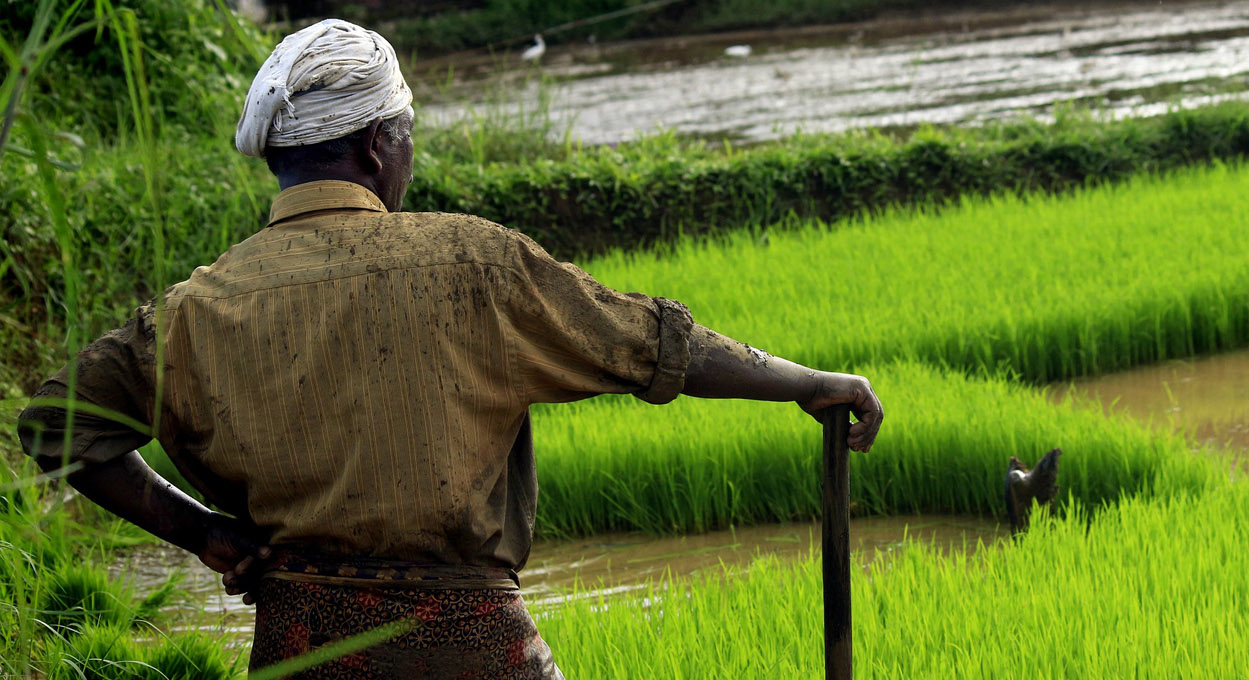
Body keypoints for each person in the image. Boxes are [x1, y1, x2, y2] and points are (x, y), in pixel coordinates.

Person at [15, 18, 883, 680]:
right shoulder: (471, 262)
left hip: (298, 646)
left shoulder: (197, 308)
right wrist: (810, 383)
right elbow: (654, 344)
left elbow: (56, 423)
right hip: (466, 642)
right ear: (377, 144)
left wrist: (203, 533)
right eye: (407, 132)